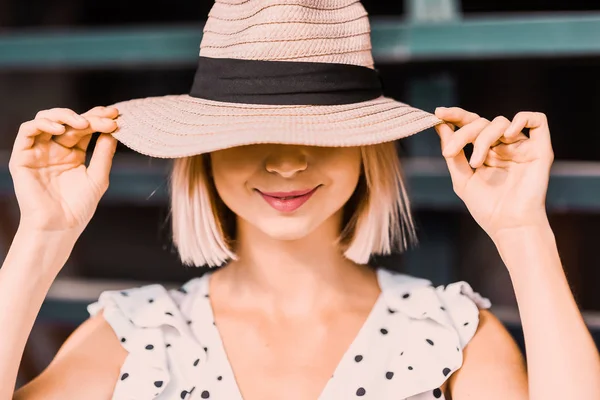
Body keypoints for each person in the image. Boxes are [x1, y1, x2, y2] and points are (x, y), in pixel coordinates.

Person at [2, 0, 600, 399]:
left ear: (366, 148)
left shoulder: (451, 334)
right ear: (203, 154)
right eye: (250, 133)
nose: (286, 162)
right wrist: (44, 236)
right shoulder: (137, 332)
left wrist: (523, 232)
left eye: (320, 131)